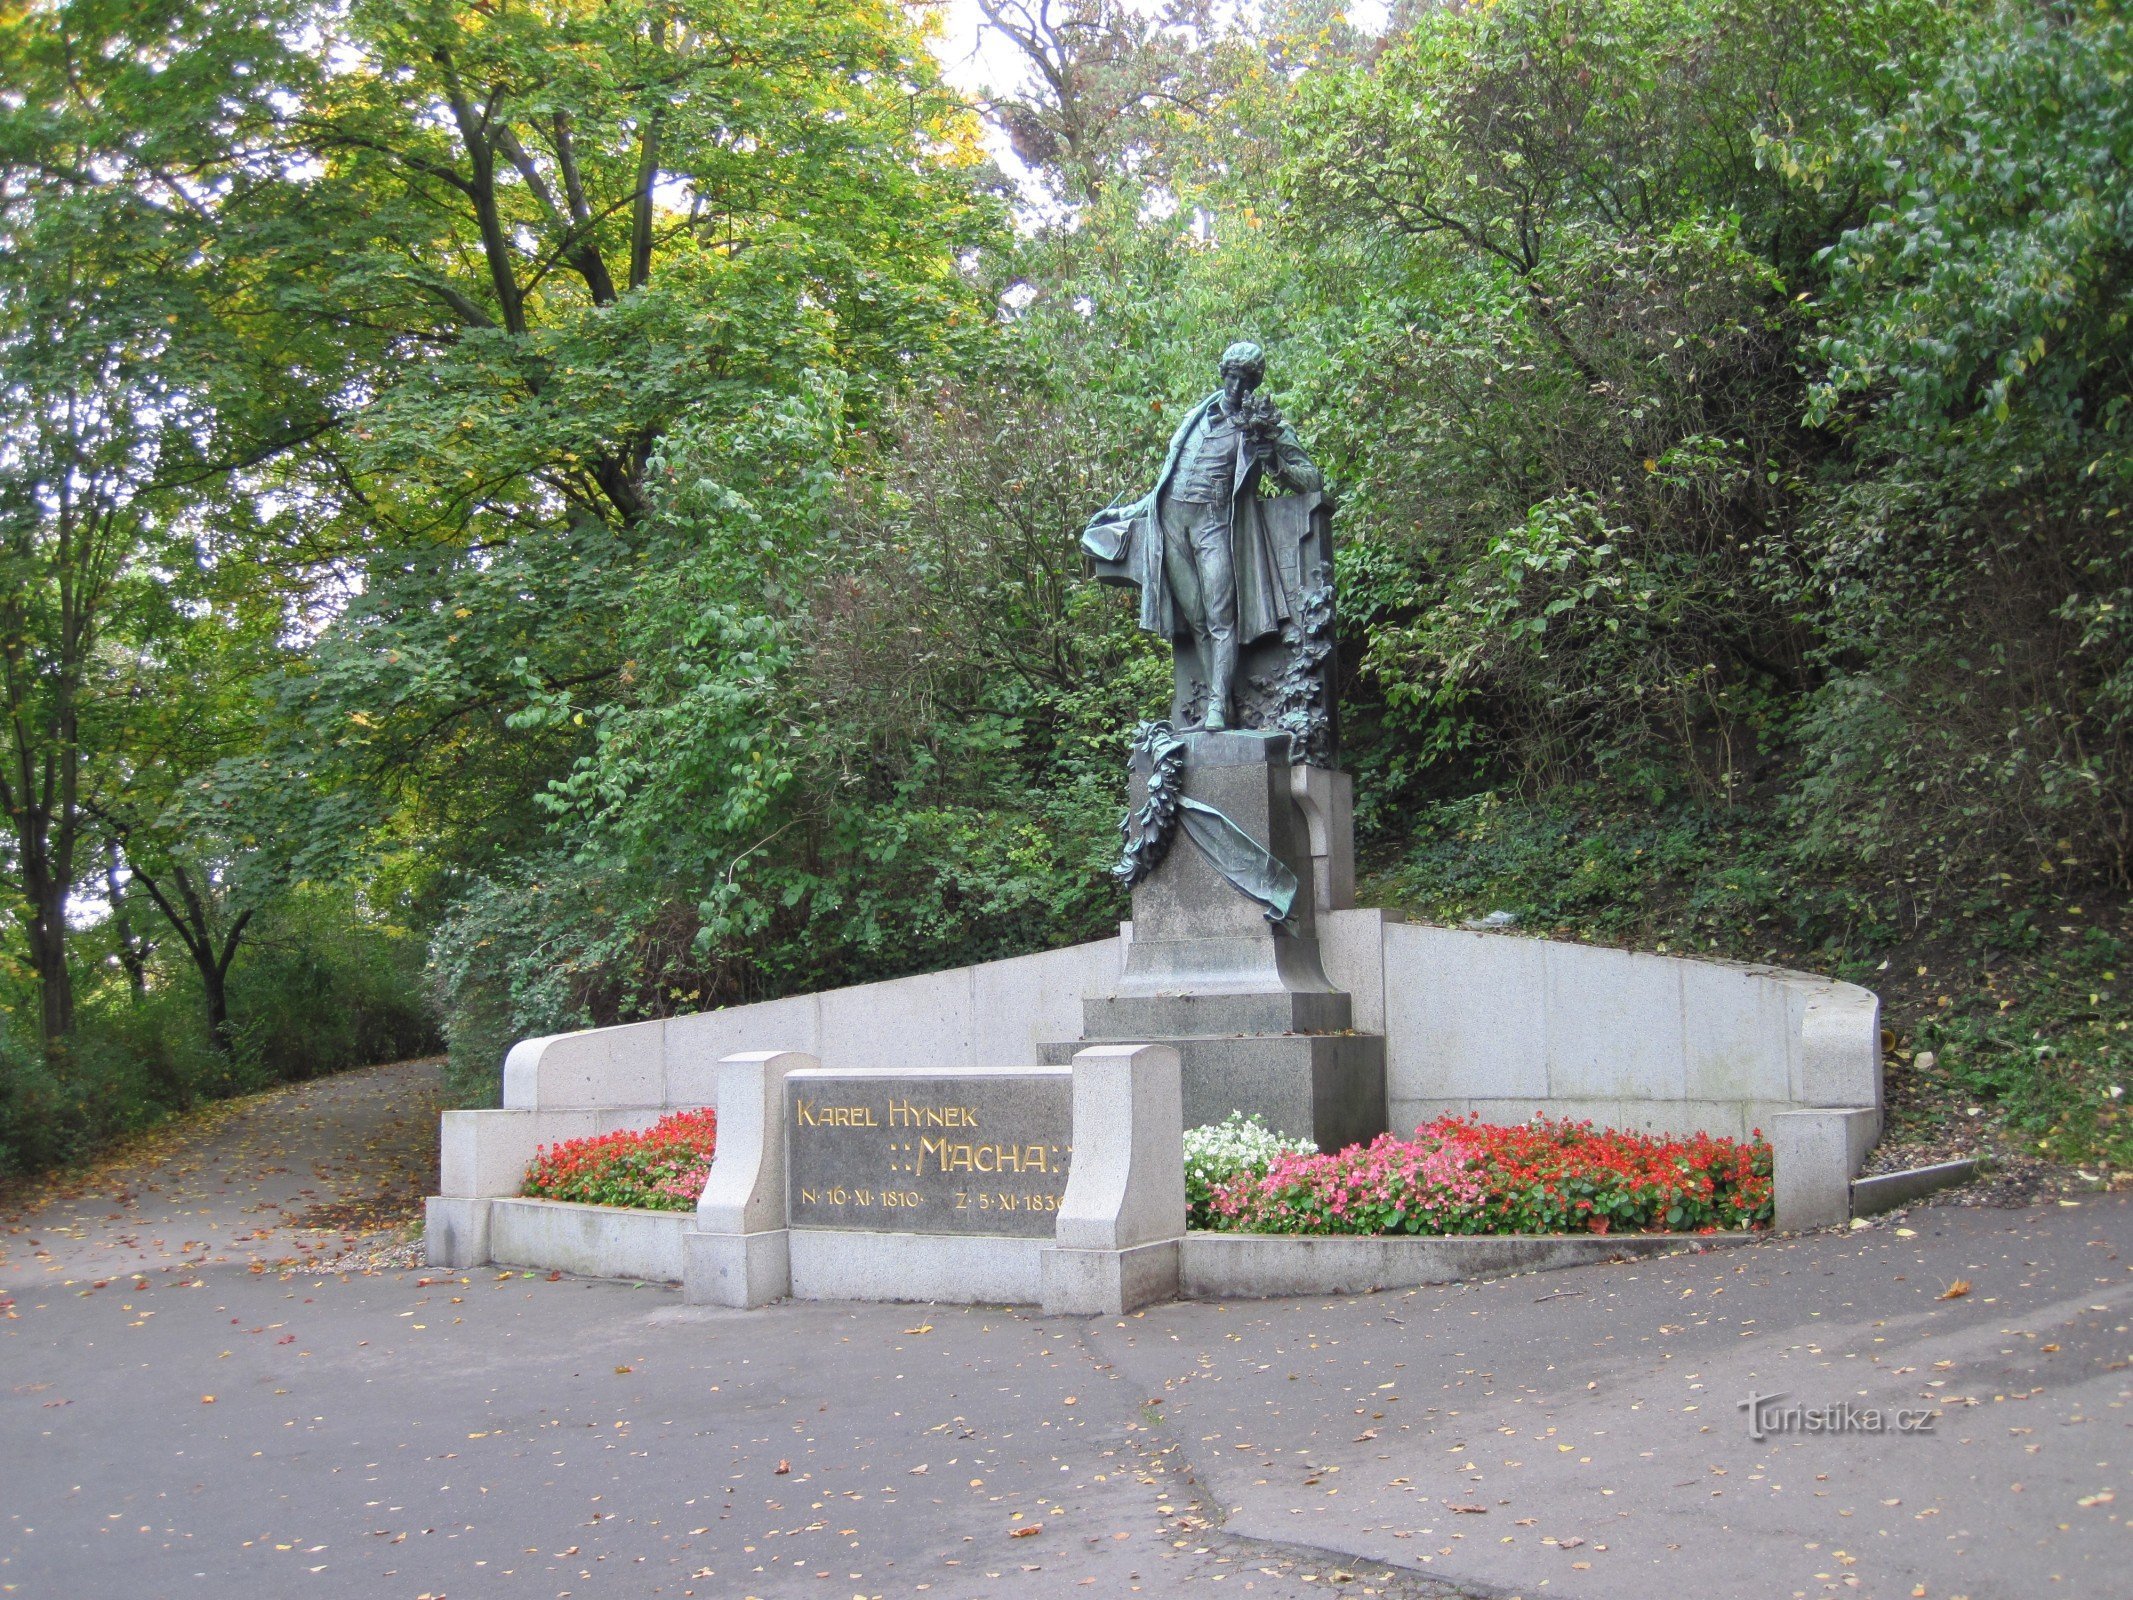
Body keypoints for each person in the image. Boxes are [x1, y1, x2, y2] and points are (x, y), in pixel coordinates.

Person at [1084, 341, 1322, 731]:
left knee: (1220, 617)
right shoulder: (1195, 417)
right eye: (1230, 376)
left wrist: (1273, 460)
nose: (1235, 387)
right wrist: (1124, 512)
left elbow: (1311, 480)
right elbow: (1166, 482)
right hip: (1171, 522)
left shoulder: (1262, 425)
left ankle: (1216, 710)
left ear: (1254, 384)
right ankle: (1221, 705)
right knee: (1195, 617)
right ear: (1222, 373)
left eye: (1244, 380)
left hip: (1216, 524)